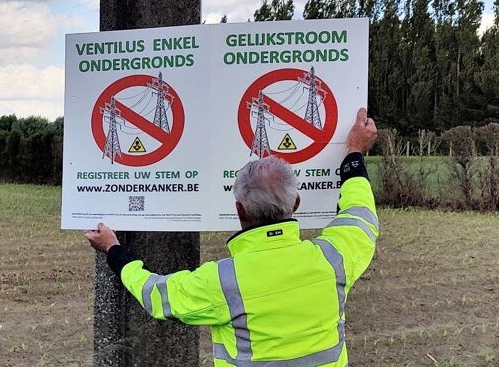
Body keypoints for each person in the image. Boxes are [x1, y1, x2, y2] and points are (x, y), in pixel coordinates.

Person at [85, 108, 380, 366]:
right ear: (296, 203)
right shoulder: (333, 258)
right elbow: (360, 214)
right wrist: (354, 153)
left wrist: (113, 249)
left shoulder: (222, 281)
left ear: (239, 210)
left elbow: (155, 294)